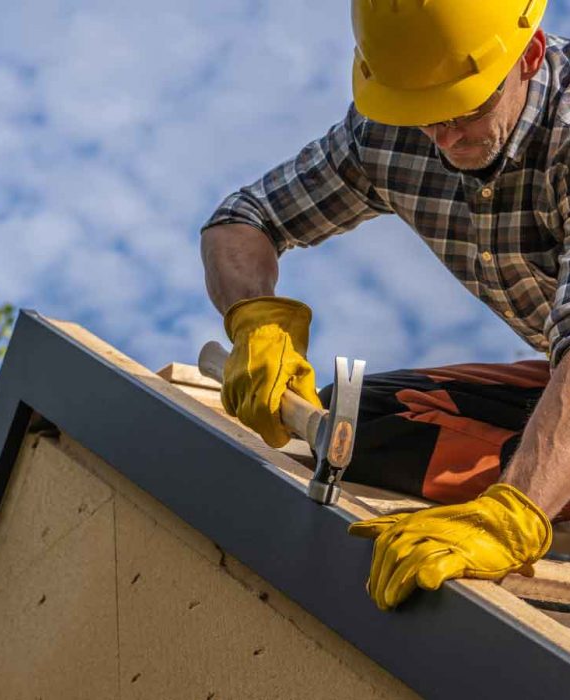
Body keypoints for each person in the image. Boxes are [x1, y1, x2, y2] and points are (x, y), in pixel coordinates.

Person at [199, 0, 565, 610]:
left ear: (528, 56)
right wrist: (254, 322)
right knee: (370, 425)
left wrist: (513, 513)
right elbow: (242, 220)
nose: (443, 137)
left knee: (502, 486)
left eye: (466, 108)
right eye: (422, 114)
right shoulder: (391, 135)